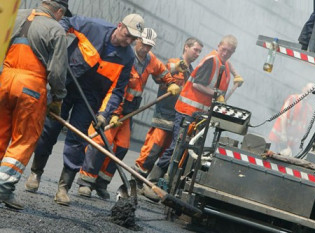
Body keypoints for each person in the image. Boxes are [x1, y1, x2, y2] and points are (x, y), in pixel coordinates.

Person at [24, 13, 144, 206]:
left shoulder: (127, 56)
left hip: (90, 98)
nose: (128, 41)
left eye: (133, 38)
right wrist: (60, 36)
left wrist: (104, 114)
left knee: (77, 140)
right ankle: (35, 174)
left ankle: (63, 188)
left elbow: (117, 90)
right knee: (49, 130)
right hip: (66, 84)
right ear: (119, 25)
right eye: (127, 35)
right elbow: (65, 22)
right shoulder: (92, 26)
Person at [76, 28, 181, 199]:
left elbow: (162, 71)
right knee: (101, 145)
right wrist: (115, 112)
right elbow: (118, 88)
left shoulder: (150, 60)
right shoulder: (127, 58)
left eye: (149, 46)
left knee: (122, 148)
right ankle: (86, 182)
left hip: (129, 113)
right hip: (113, 109)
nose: (146, 49)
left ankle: (101, 183)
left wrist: (170, 82)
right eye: (144, 44)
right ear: (137, 40)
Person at [142, 35, 239, 201]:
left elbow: (228, 65)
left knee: (188, 150)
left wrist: (237, 76)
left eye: (230, 51)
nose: (226, 53)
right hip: (187, 111)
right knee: (177, 147)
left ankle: (170, 185)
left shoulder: (224, 63)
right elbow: (197, 84)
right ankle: (150, 182)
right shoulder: (212, 61)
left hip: (198, 114)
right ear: (218, 46)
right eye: (224, 49)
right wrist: (217, 94)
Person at [0, 0, 70, 210]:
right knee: (25, 137)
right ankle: (3, 187)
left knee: (1, 132)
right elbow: (57, 72)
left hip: (4, 80)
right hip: (30, 87)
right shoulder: (56, 30)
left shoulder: (16, 16)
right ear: (59, 11)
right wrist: (57, 98)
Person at [134, 37, 203, 178]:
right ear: (186, 47)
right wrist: (176, 68)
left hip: (179, 119)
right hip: (164, 116)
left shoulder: (192, 73)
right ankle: (136, 179)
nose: (197, 54)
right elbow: (161, 74)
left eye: (199, 52)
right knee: (153, 149)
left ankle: (152, 182)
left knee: (167, 152)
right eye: (195, 50)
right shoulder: (173, 63)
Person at [268, 83, 314, 157]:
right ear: (303, 89)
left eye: (311, 92)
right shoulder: (293, 99)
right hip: (278, 138)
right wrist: (283, 134)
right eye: (308, 90)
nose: (309, 93)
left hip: (290, 144)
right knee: (270, 157)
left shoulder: (308, 108)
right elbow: (284, 116)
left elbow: (304, 127)